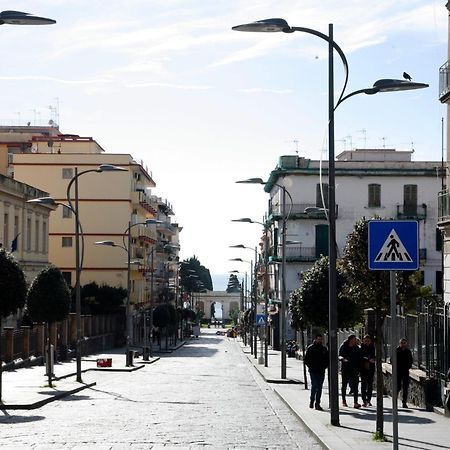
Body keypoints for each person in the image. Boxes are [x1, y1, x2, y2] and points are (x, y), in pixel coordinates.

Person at [304, 333, 329, 411]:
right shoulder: (311, 348)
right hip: (313, 370)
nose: (319, 340)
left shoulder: (324, 349)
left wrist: (324, 366)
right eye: (318, 339)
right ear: (315, 339)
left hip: (321, 371)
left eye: (321, 339)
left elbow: (327, 360)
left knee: (320, 387)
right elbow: (306, 359)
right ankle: (312, 400)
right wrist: (311, 367)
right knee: (314, 385)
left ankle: (317, 403)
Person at [339, 334, 362, 408]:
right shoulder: (343, 346)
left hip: (354, 369)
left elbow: (359, 358)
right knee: (344, 385)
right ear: (351, 340)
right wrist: (342, 359)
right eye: (354, 339)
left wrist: (359, 369)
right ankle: (344, 400)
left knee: (356, 386)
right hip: (346, 368)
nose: (356, 340)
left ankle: (355, 402)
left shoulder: (357, 348)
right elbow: (339, 355)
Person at [360, 335, 376, 407]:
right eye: (365, 340)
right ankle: (364, 400)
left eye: (368, 341)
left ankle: (368, 399)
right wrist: (368, 359)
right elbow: (360, 357)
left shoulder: (373, 348)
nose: (367, 342)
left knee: (370, 384)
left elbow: (375, 356)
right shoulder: (361, 348)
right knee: (363, 384)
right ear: (363, 340)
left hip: (371, 368)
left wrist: (373, 359)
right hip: (363, 368)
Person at [397, 338, 413, 408]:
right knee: (398, 387)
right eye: (402, 343)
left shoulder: (408, 351)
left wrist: (408, 367)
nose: (403, 344)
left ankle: (404, 402)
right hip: (398, 371)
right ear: (399, 343)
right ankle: (395, 401)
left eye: (404, 343)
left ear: (406, 344)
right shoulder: (396, 350)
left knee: (405, 387)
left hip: (405, 371)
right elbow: (392, 360)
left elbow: (410, 360)